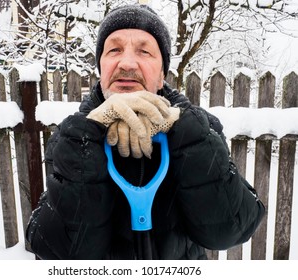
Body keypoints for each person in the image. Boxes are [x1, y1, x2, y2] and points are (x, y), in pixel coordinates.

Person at [26, 4, 265, 260]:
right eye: (114, 50)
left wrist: (186, 133)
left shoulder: (201, 131)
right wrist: (89, 139)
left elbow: (230, 230)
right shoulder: (72, 138)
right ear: (100, 68)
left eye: (145, 51)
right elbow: (55, 251)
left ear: (162, 75)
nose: (127, 63)